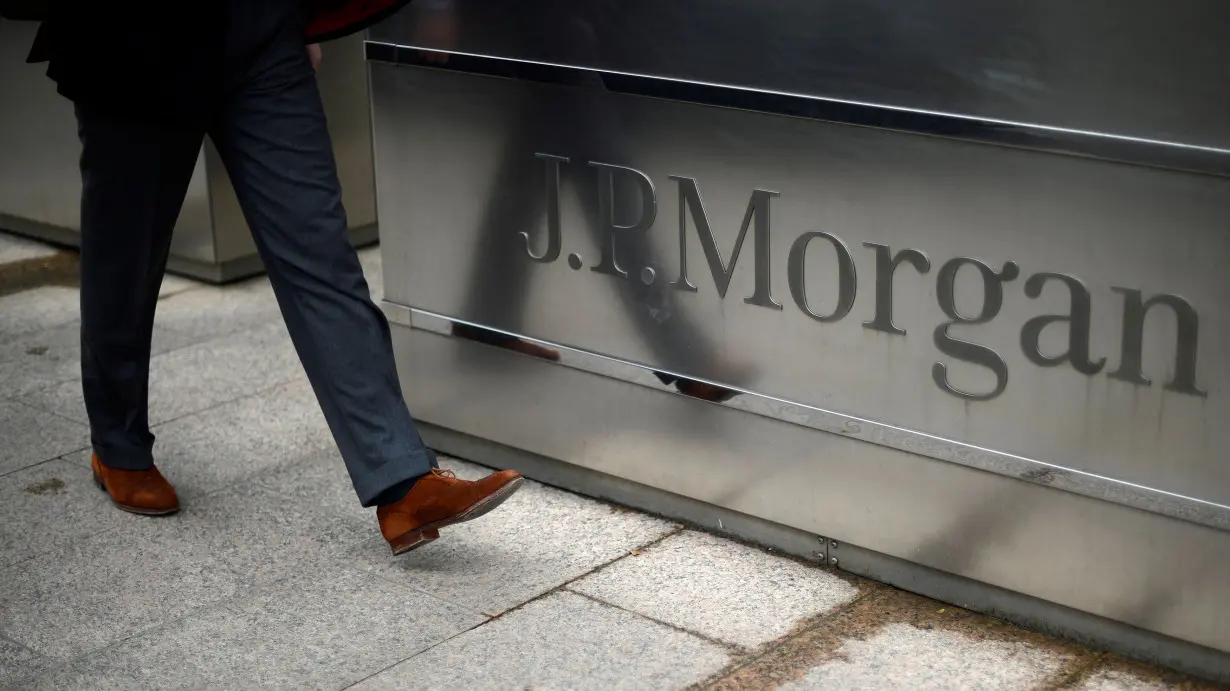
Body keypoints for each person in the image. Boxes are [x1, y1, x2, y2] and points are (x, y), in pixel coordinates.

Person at [13, 0, 524, 555]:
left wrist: (306, 19)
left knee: (321, 257)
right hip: (133, 43)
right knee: (127, 262)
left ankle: (402, 482)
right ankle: (118, 445)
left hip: (258, 31)